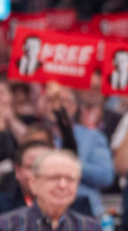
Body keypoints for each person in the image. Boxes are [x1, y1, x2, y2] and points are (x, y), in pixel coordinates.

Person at [41, 84, 113, 216]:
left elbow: (105, 176)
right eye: (50, 100)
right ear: (42, 105)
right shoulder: (34, 135)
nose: (56, 106)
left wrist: (72, 166)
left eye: (63, 101)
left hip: (86, 211)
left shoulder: (92, 137)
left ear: (74, 107)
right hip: (44, 210)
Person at [0, 141, 93, 216]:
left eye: (47, 169)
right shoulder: (3, 208)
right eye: (32, 167)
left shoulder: (78, 207)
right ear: (18, 171)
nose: (38, 174)